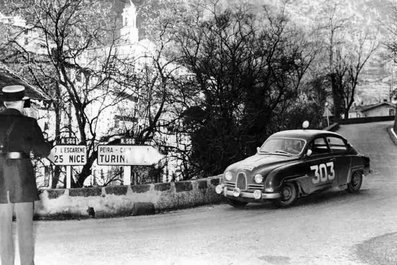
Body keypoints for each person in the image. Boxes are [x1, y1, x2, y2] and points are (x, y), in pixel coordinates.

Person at [0, 85, 51, 265]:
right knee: (25, 228)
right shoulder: (29, 123)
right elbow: (42, 151)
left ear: (5, 102)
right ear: (22, 102)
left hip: (0, 179)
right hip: (22, 178)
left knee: (2, 229)